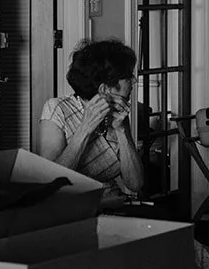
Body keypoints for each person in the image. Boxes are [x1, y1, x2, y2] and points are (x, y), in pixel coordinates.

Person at [35, 37, 147, 199]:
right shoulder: (58, 109)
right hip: (70, 207)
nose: (134, 81)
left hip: (112, 204)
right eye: (128, 76)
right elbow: (52, 181)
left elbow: (135, 184)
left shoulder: (118, 114)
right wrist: (86, 128)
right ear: (105, 89)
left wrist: (122, 131)